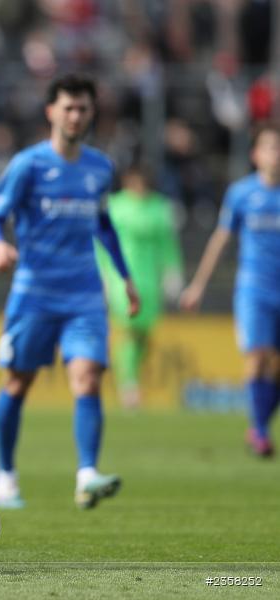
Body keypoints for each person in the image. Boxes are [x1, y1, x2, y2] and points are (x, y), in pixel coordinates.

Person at [0, 73, 140, 510]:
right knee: (18, 383)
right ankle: (5, 476)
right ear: (51, 111)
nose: (75, 116)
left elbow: (103, 224)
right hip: (34, 293)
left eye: (83, 108)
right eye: (68, 108)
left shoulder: (100, 167)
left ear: (92, 113)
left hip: (85, 294)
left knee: (87, 378)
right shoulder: (28, 164)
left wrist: (124, 276)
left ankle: (87, 474)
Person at [180, 123, 280, 458]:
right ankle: (260, 430)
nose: (276, 154)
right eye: (271, 147)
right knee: (257, 355)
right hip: (254, 288)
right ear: (256, 154)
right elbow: (221, 239)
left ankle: (259, 424)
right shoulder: (241, 193)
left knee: (275, 367)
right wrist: (198, 285)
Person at [95, 164, 183, 409]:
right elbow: (101, 243)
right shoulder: (115, 206)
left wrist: (172, 272)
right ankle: (128, 386)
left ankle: (132, 378)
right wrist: (102, 274)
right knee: (128, 330)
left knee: (144, 335)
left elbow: (168, 243)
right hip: (121, 277)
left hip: (150, 279)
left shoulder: (159, 208)